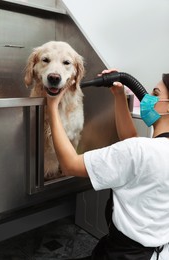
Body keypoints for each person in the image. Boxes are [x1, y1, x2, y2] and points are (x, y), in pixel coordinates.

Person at [46, 68, 169, 260]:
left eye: (155, 93)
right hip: (157, 251)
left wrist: (52, 107)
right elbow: (132, 141)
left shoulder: (139, 151)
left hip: (125, 254)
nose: (147, 98)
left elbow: (70, 164)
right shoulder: (152, 148)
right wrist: (120, 96)